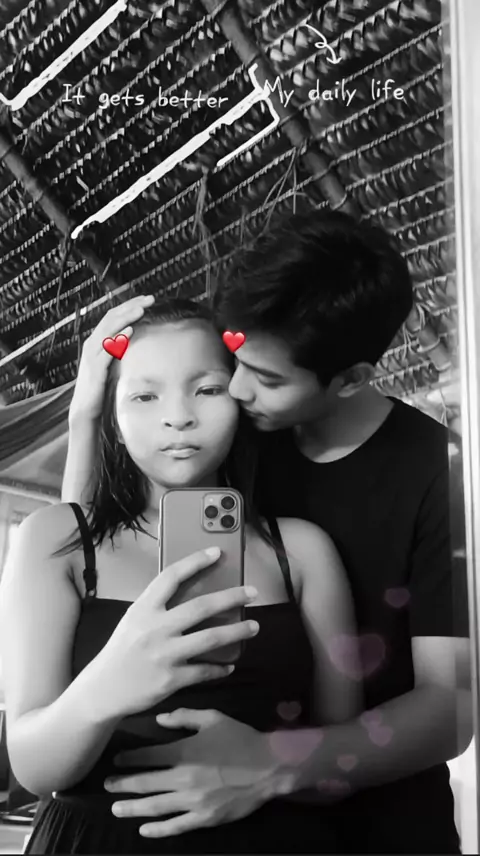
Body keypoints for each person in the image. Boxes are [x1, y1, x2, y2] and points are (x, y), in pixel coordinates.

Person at [61, 209, 472, 855]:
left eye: (269, 378)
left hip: (376, 828)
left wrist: (270, 764)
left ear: (352, 379)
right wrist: (87, 413)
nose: (236, 387)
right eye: (234, 357)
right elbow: (93, 553)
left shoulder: (442, 477)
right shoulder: (229, 426)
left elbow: (450, 708)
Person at [0, 297, 363, 854]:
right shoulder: (54, 540)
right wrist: (107, 685)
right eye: (144, 396)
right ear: (113, 417)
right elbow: (32, 768)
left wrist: (272, 765)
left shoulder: (303, 552)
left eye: (207, 389)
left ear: (240, 397)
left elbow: (350, 755)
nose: (178, 416)